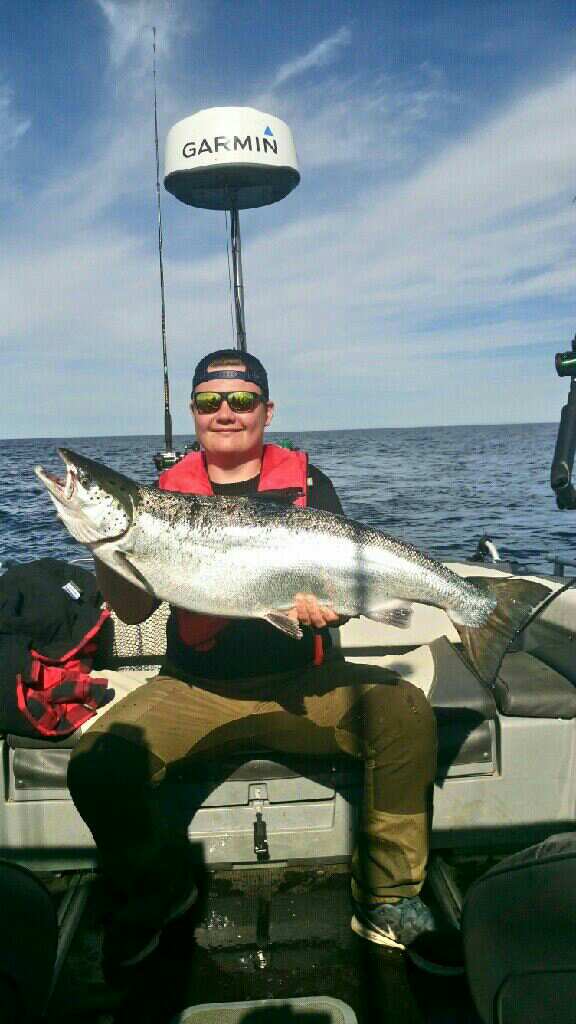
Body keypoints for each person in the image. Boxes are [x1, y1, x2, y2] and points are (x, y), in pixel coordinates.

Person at [67, 349, 458, 976]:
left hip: (308, 683)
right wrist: (103, 545)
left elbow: (348, 578)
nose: (225, 412)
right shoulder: (159, 500)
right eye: (209, 401)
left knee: (406, 713)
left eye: (241, 400)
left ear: (267, 411)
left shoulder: (308, 484)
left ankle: (387, 899)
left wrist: (336, 609)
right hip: (196, 687)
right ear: (193, 412)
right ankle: (162, 890)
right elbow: (134, 613)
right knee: (98, 764)